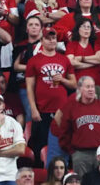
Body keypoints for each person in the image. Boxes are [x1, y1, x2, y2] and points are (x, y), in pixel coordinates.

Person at [26, 27, 77, 166]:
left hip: (62, 112)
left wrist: (63, 80)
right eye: (48, 38)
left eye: (53, 38)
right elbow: (29, 87)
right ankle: (43, 174)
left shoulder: (64, 59)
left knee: (64, 144)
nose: (51, 41)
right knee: (41, 146)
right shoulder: (34, 61)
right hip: (42, 110)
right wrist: (33, 109)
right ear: (41, 41)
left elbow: (74, 84)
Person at [57, 76, 100, 176]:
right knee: (82, 181)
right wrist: (72, 151)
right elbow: (64, 131)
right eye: (87, 87)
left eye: (92, 87)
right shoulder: (71, 107)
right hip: (81, 155)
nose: (91, 89)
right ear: (80, 89)